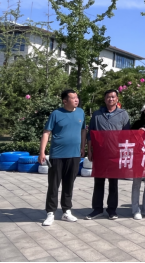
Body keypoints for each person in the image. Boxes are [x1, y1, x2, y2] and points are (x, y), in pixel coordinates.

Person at [39, 89, 86, 226]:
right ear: (65, 101)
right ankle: (50, 213)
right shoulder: (56, 114)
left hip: (74, 155)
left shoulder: (81, 112)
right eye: (73, 98)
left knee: (69, 184)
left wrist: (83, 147)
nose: (76, 99)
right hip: (57, 155)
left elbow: (83, 130)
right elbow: (46, 132)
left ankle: (66, 211)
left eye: (77, 97)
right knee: (54, 184)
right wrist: (42, 152)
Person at [85, 89, 131, 220]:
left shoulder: (123, 114)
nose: (110, 99)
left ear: (117, 99)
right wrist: (89, 151)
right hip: (100, 153)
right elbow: (90, 134)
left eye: (113, 97)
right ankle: (97, 209)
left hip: (115, 154)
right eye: (108, 97)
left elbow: (127, 135)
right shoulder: (97, 114)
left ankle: (112, 210)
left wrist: (125, 153)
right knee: (98, 181)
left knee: (113, 183)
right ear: (105, 99)